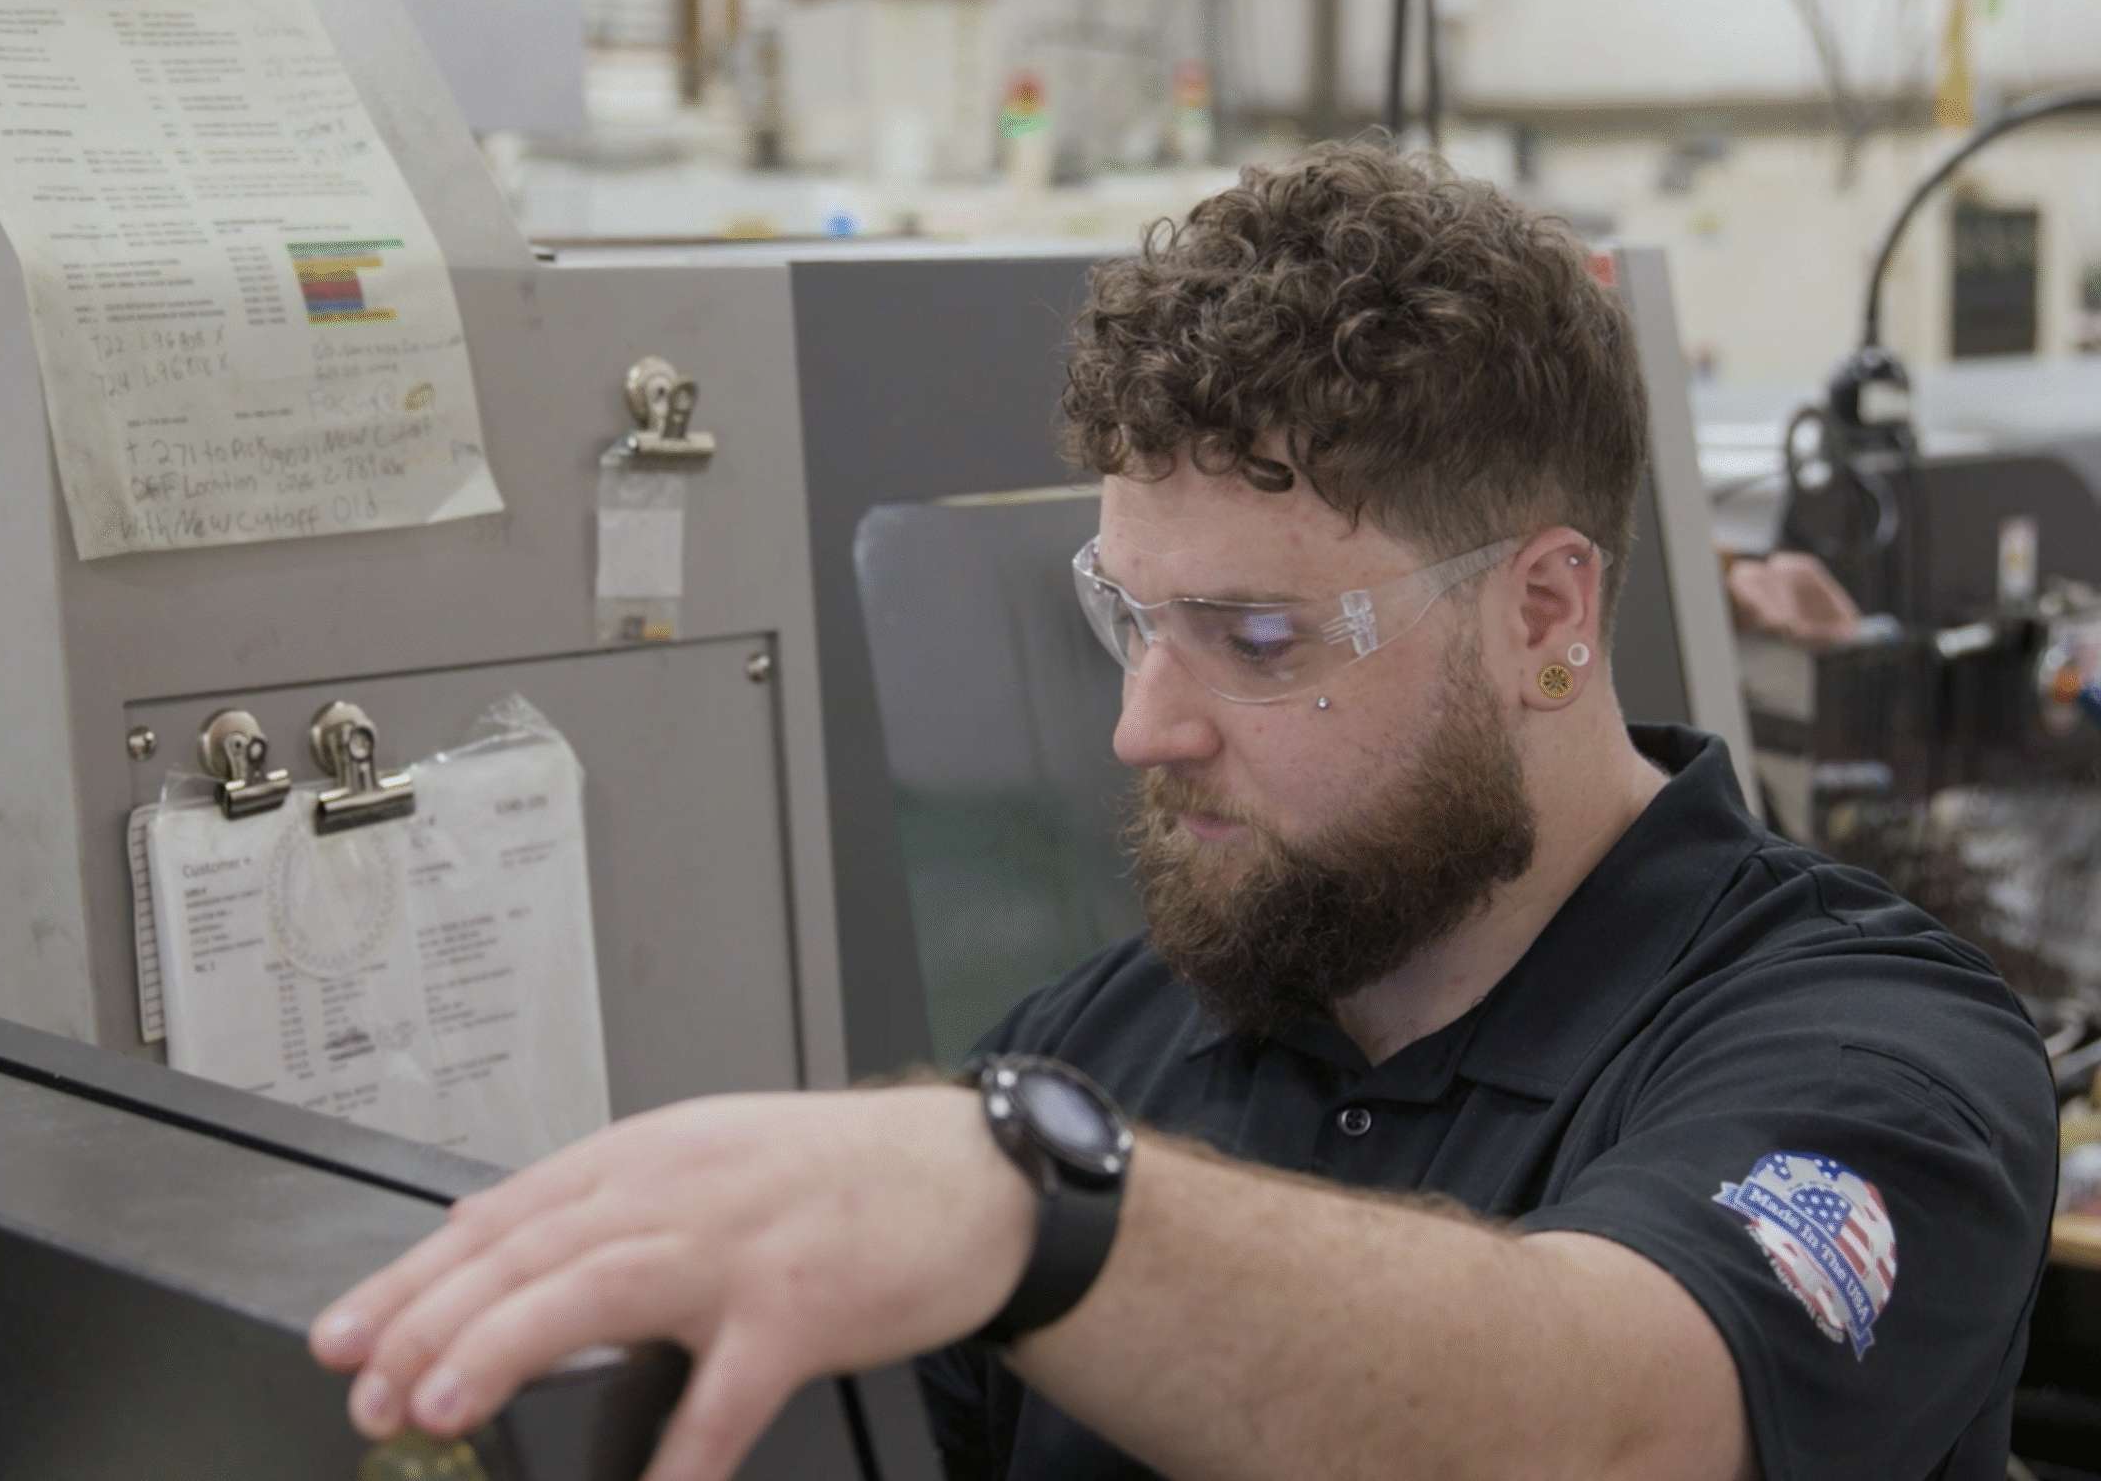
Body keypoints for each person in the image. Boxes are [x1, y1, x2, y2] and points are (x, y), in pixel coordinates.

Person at [305, 143, 2057, 1481]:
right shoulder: (1100, 1050)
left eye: (1261, 636)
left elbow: (1617, 1406)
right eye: (1130, 617)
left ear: (1544, 613)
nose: (1146, 724)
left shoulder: (1876, 1051)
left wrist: (1031, 1215)